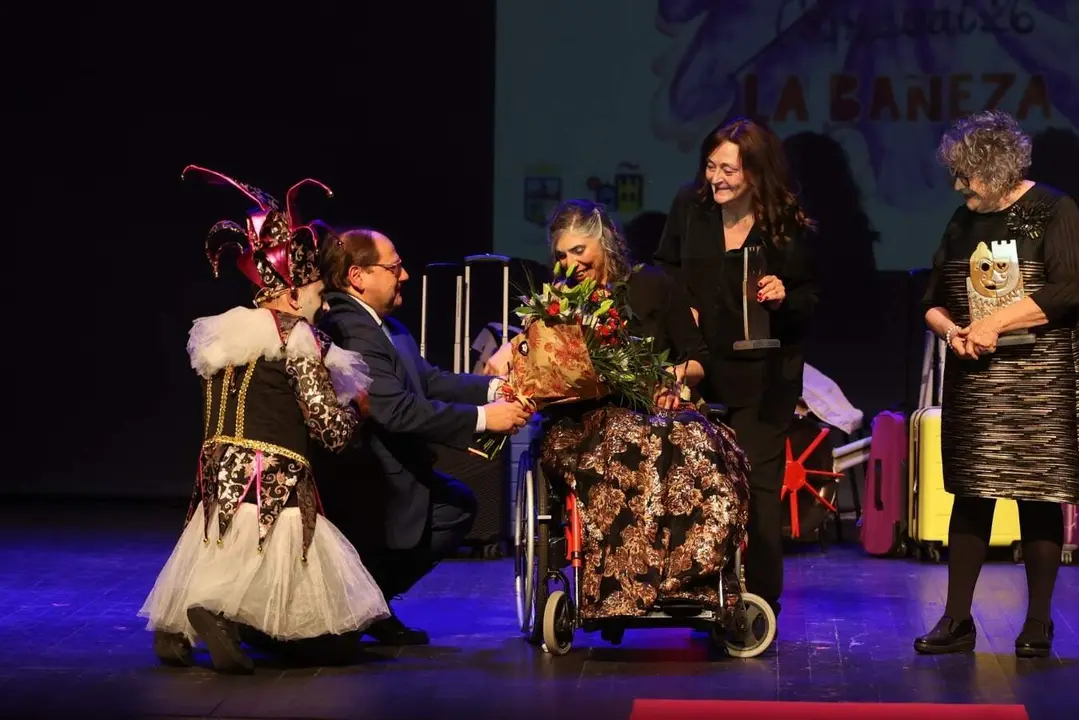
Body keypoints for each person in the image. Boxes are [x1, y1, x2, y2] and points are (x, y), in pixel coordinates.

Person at [139, 166, 389, 674]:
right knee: (334, 636)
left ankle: (175, 629)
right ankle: (216, 614)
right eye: (318, 294)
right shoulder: (296, 338)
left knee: (217, 546)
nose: (321, 305)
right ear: (294, 294)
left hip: (218, 473)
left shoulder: (225, 336)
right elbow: (328, 429)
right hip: (274, 478)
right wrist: (356, 411)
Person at [487, 199, 749, 626]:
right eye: (560, 255)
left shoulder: (654, 286)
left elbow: (699, 362)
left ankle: (694, 579)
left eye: (578, 251)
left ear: (605, 243)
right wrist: (513, 350)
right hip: (585, 426)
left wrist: (671, 376)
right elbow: (535, 359)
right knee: (631, 442)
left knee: (701, 445)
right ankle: (623, 588)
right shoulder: (559, 307)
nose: (570, 263)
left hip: (661, 413)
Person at [914, 110, 1079, 658]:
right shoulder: (962, 219)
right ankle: (957, 621)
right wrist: (955, 333)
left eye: (965, 174)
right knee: (972, 491)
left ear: (995, 170)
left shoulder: (1053, 209)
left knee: (1036, 492)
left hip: (1039, 377)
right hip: (976, 374)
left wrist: (996, 322)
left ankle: (1038, 623)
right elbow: (932, 300)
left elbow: (1069, 288)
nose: (957, 185)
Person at [315, 227, 531, 645]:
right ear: (358, 277)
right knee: (452, 506)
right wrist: (485, 418)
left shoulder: (386, 326)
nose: (405, 275)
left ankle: (371, 601)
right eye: (394, 267)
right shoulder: (350, 327)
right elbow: (395, 410)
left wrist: (494, 389)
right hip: (368, 476)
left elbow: (428, 381)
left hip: (399, 466)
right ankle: (359, 604)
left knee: (458, 504)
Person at [654, 116, 819, 618]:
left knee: (759, 487)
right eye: (710, 166)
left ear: (755, 172)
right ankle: (695, 586)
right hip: (701, 367)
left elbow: (811, 297)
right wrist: (683, 312)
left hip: (765, 376)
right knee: (692, 481)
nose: (716, 178)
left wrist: (783, 295)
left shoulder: (783, 223)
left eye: (728, 169)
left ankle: (760, 600)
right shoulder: (691, 207)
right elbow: (666, 271)